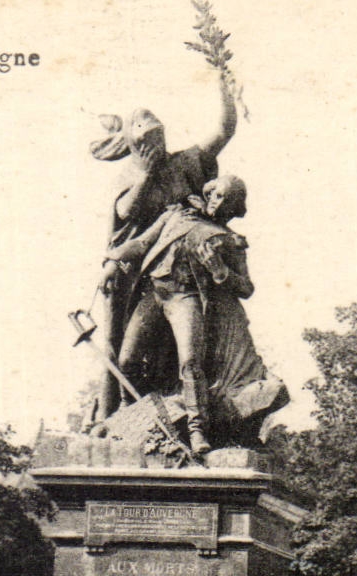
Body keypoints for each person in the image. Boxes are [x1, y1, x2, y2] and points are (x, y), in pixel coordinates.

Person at [87, 72, 238, 424]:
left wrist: (225, 92)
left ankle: (189, 420)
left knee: (184, 356)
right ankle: (127, 415)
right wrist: (146, 175)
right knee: (127, 354)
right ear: (133, 146)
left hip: (187, 277)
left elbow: (224, 130)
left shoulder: (185, 163)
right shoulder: (130, 178)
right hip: (142, 279)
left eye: (159, 136)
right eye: (146, 141)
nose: (156, 144)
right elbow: (125, 216)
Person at [99, 175, 287, 453]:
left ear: (234, 207)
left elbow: (246, 287)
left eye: (223, 197)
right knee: (127, 359)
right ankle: (129, 412)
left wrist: (220, 272)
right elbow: (141, 243)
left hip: (185, 297)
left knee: (190, 362)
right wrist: (113, 263)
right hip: (154, 293)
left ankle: (197, 429)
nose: (214, 200)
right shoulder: (176, 216)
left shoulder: (228, 241)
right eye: (213, 193)